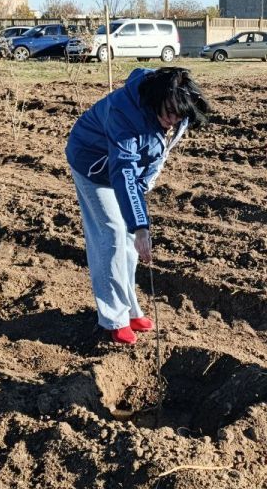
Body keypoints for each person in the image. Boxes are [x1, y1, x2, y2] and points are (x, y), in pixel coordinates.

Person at [65, 67, 211, 345]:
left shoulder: (178, 103)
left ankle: (130, 308)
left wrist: (144, 193)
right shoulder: (124, 114)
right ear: (156, 100)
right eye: (169, 114)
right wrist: (140, 224)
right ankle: (113, 319)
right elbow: (124, 172)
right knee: (113, 234)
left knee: (131, 240)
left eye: (179, 116)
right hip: (93, 166)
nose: (173, 121)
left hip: (125, 170)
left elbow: (155, 152)